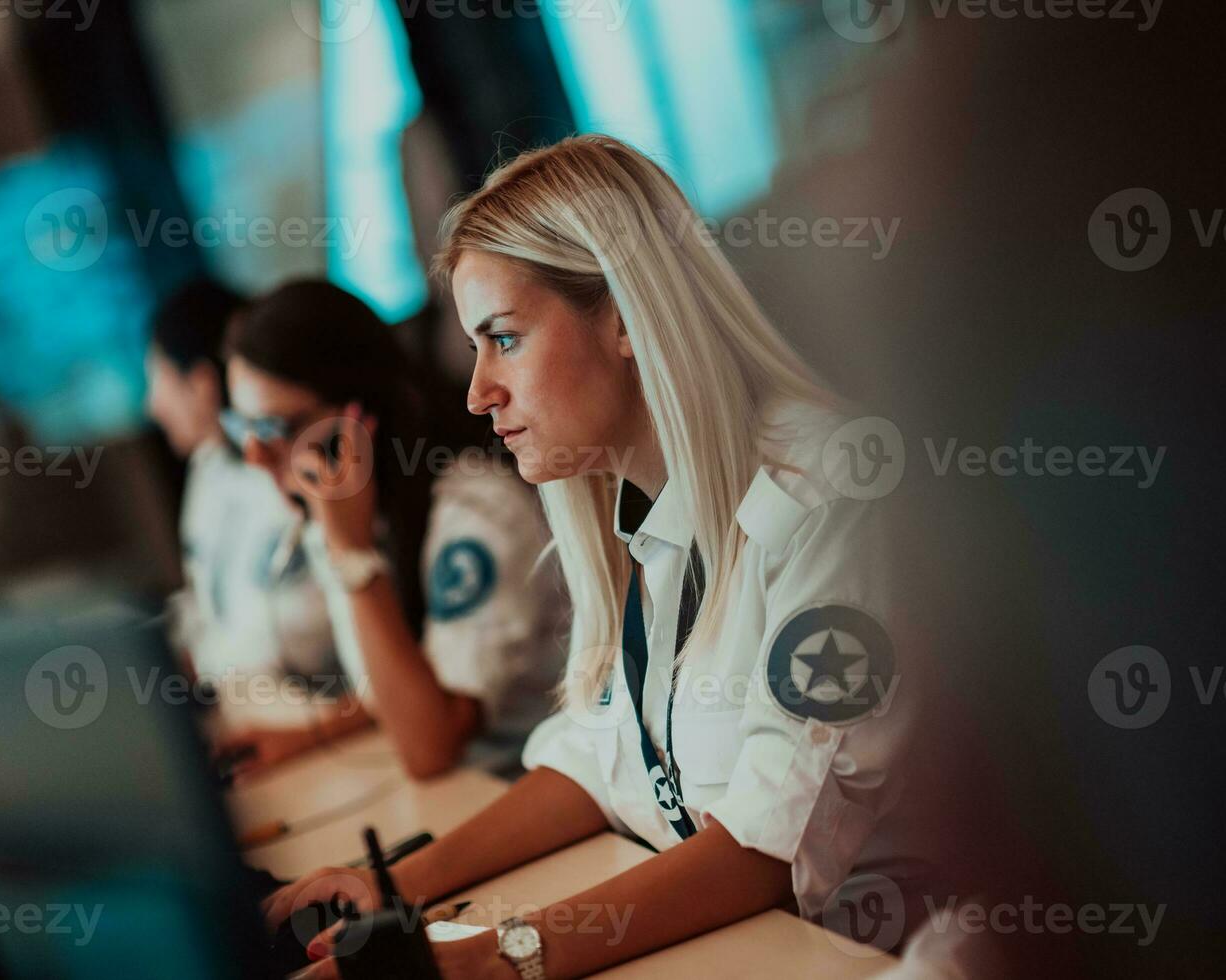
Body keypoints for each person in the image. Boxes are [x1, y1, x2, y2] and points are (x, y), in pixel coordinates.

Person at [268, 135, 915, 979]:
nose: (477, 393)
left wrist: (494, 961)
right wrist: (391, 888)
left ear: (622, 320)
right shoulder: (645, 506)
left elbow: (763, 847)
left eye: (503, 338)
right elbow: (597, 757)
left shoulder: (829, 499)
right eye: (474, 348)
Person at [215, 280, 568, 778]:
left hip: (532, 788)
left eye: (276, 427)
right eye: (242, 428)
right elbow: (401, 681)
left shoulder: (474, 514)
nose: (253, 455)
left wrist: (353, 559)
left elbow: (432, 744)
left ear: (358, 416)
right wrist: (311, 736)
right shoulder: (351, 513)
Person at [145, 277, 336, 694]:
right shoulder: (208, 467)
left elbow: (309, 633)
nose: (152, 405)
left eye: (157, 379)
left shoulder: (294, 467)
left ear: (201, 383)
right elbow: (206, 604)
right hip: (245, 701)